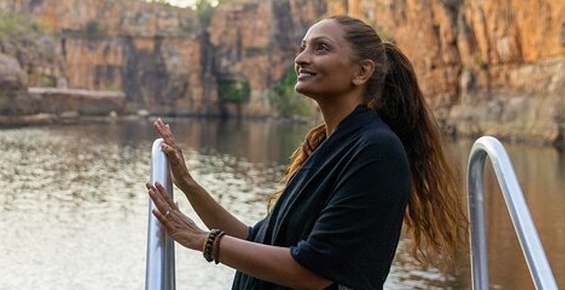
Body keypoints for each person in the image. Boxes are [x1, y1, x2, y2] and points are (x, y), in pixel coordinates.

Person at [146, 15, 468, 290]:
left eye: (321, 48)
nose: (301, 58)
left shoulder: (376, 150)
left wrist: (204, 241)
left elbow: (316, 271)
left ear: (361, 71)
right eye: (303, 47)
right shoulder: (326, 147)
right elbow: (255, 238)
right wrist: (187, 182)